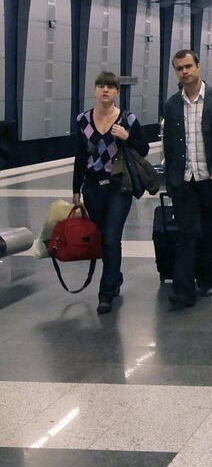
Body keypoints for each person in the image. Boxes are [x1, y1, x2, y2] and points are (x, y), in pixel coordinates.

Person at [162, 49, 212, 309]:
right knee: (186, 232)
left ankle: (205, 279)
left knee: (208, 232)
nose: (184, 72)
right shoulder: (172, 104)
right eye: (179, 68)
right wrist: (171, 179)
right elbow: (169, 143)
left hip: (211, 179)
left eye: (188, 66)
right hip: (183, 180)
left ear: (198, 66)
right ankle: (183, 290)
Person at [71, 70, 149, 314]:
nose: (105, 90)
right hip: (93, 187)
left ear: (117, 92)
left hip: (118, 186)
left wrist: (126, 137)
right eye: (101, 85)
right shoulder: (83, 120)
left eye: (110, 86)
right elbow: (80, 156)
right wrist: (76, 190)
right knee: (103, 238)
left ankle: (105, 294)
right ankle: (115, 277)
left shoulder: (128, 119)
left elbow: (144, 149)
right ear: (95, 90)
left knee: (111, 237)